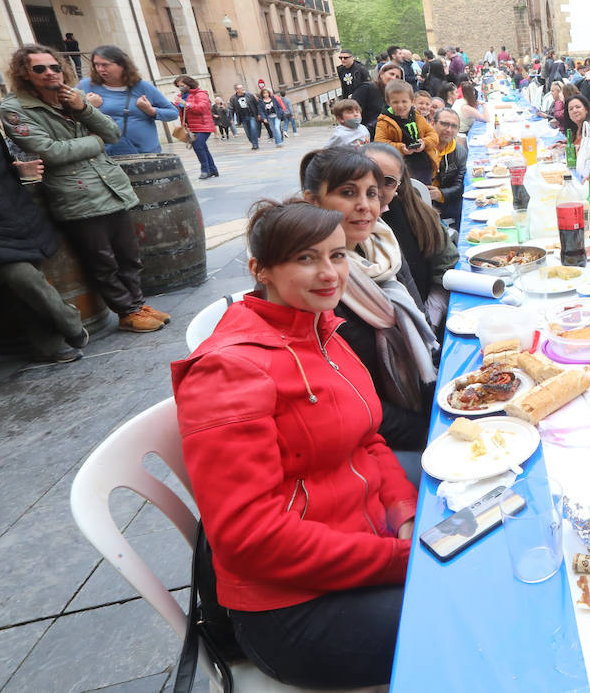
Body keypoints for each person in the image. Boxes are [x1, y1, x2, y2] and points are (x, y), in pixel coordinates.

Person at [171, 199, 416, 689]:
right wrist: (398, 561)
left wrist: (405, 513)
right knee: (473, 606)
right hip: (291, 613)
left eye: (338, 255)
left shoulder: (320, 329)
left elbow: (366, 439)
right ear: (259, 270)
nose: (330, 274)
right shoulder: (229, 371)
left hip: (359, 538)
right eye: (306, 259)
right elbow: (249, 537)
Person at [0, 45, 166, 333]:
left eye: (53, 67)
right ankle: (126, 312)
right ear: (25, 73)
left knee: (129, 255)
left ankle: (138, 304)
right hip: (75, 193)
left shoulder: (70, 97)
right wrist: (96, 142)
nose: (49, 73)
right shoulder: (15, 108)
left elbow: (113, 132)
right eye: (39, 68)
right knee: (103, 261)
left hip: (109, 185)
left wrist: (83, 108)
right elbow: (49, 151)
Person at [300, 148, 438, 450]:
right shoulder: (313, 284)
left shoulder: (381, 245)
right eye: (348, 193)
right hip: (376, 434)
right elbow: (349, 401)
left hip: (418, 391)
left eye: (372, 193)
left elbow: (421, 317)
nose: (365, 206)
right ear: (313, 201)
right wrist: (433, 428)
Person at [0, 120, 88, 363]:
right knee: (22, 276)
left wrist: (19, 172)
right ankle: (71, 323)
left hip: (12, 210)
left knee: (21, 284)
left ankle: (50, 345)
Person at [362, 142, 458, 318]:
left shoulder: (419, 216)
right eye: (369, 177)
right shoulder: (342, 230)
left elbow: (446, 263)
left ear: (399, 184)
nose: (375, 188)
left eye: (388, 182)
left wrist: (432, 312)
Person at [77, 45, 179, 156]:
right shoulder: (86, 86)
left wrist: (151, 111)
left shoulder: (142, 86)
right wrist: (88, 106)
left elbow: (173, 113)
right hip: (105, 156)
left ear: (122, 65)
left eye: (105, 65)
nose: (100, 69)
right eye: (96, 64)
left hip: (145, 154)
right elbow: (64, 115)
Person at [375, 81, 437, 185]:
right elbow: (380, 143)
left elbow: (433, 135)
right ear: (388, 102)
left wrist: (424, 143)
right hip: (401, 167)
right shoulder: (384, 121)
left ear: (412, 101)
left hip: (423, 164)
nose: (400, 106)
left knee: (424, 193)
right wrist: (400, 148)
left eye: (404, 101)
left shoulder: (417, 117)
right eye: (395, 102)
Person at [174, 76, 219, 179]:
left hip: (203, 125)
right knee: (203, 147)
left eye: (182, 85)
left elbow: (202, 108)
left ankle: (205, 170)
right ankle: (213, 170)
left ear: (189, 84)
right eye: (179, 86)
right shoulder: (181, 96)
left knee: (198, 145)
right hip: (191, 127)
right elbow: (181, 112)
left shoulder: (200, 94)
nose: (180, 88)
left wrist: (186, 104)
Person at [430, 108, 467, 231]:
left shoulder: (460, 153)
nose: (449, 130)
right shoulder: (421, 148)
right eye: (444, 124)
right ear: (432, 123)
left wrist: (440, 194)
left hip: (446, 204)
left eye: (454, 126)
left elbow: (460, 185)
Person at [356, 63, 398, 136]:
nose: (394, 78)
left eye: (397, 77)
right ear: (381, 74)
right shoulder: (367, 88)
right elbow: (351, 111)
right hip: (366, 136)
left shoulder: (393, 95)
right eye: (391, 74)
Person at [230, 82, 262, 149]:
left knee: (253, 129)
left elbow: (257, 104)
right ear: (236, 90)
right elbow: (231, 109)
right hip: (243, 117)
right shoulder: (233, 98)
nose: (242, 89)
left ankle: (255, 144)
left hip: (252, 115)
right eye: (240, 88)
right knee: (248, 132)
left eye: (242, 87)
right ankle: (253, 142)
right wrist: (231, 118)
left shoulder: (249, 95)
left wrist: (259, 114)